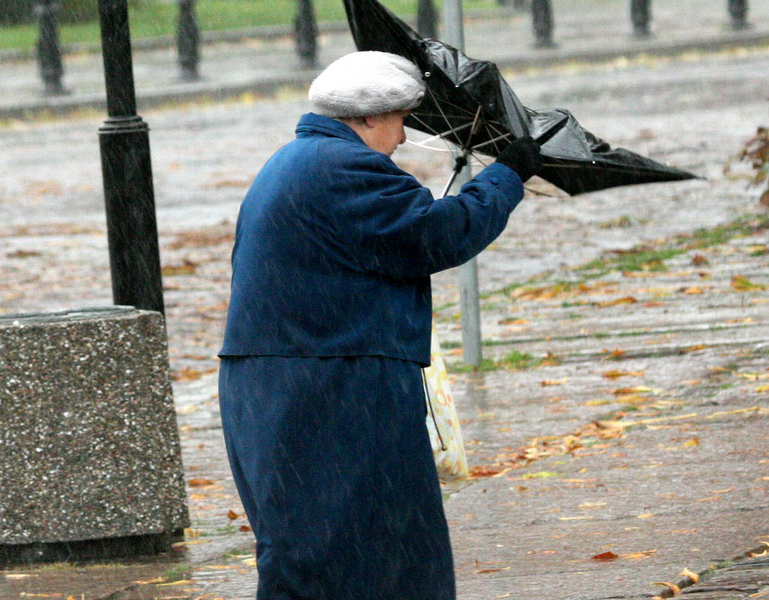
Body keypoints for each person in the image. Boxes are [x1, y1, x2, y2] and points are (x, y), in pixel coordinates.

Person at [218, 50, 543, 600]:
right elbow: (438, 235)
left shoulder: (298, 160)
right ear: (368, 118)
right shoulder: (343, 169)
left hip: (294, 381)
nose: (401, 139)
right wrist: (509, 173)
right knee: (363, 557)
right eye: (399, 122)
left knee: (319, 554)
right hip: (328, 389)